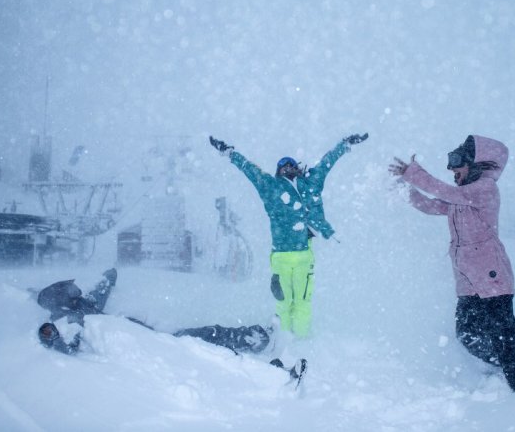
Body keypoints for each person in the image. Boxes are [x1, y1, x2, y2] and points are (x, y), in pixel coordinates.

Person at [389, 135, 515, 391]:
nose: (451, 169)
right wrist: (405, 188)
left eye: (456, 162)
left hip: (493, 281)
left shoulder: (484, 189)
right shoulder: (461, 199)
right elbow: (431, 205)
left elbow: (442, 191)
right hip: (468, 283)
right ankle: (509, 366)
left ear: (475, 164)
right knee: (466, 334)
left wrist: (414, 172)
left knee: (503, 339)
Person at [209, 133, 368, 338]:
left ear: (297, 169)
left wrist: (344, 144)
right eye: (282, 166)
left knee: (302, 302)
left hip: (303, 253)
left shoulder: (310, 184)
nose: (287, 167)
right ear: (278, 172)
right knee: (284, 302)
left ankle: (300, 342)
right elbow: (249, 169)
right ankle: (282, 342)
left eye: (291, 165)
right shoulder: (271, 187)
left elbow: (328, 162)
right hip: (281, 255)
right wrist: (230, 153)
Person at [36, 268, 271, 356]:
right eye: (69, 288)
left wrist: (108, 279)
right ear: (61, 297)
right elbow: (67, 344)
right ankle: (248, 340)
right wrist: (50, 336)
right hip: (138, 344)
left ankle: (246, 338)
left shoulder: (81, 305)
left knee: (198, 335)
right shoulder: (69, 318)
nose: (75, 288)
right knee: (197, 338)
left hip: (138, 332)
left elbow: (98, 293)